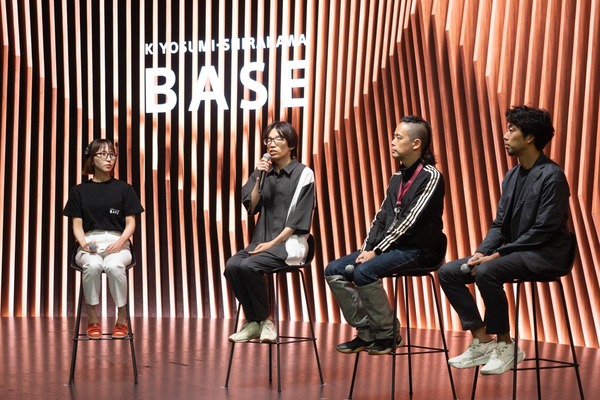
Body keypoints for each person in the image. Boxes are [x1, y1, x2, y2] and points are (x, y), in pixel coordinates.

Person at [438, 105, 571, 375]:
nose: (505, 135)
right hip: (514, 252)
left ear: (530, 137)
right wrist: (481, 252)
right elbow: (500, 224)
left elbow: (544, 230)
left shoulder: (552, 176)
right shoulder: (511, 176)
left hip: (546, 253)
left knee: (487, 271)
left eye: (511, 130)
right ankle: (482, 339)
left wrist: (496, 256)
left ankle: (506, 345)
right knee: (449, 272)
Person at [324, 115, 445, 355]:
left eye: (398, 137)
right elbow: (381, 218)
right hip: (390, 248)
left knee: (364, 272)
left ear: (416, 144)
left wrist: (377, 251)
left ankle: (388, 334)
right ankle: (367, 331)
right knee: (333, 270)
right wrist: (366, 249)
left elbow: (409, 221)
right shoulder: (397, 178)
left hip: (419, 250)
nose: (392, 141)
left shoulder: (431, 176)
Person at [224, 121, 315, 343]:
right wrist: (258, 177)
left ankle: (262, 321)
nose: (271, 144)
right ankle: (259, 321)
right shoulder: (263, 172)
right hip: (262, 243)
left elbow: (297, 220)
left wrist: (273, 243)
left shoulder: (304, 173)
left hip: (290, 243)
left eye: (278, 139)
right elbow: (252, 206)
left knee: (249, 265)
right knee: (233, 266)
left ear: (291, 144)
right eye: (268, 140)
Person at [63, 139, 144, 339]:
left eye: (112, 155)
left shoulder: (125, 189)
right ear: (92, 159)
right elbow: (76, 225)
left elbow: (131, 224)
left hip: (118, 241)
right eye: (103, 154)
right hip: (89, 242)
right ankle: (92, 317)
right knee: (92, 265)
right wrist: (84, 244)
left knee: (114, 266)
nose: (109, 159)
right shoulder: (79, 191)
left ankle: (122, 317)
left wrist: (120, 243)